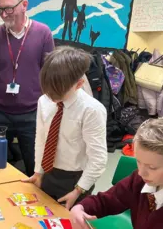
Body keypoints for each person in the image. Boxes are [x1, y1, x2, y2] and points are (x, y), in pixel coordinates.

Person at [70, 116, 163, 229]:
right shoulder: (140, 180)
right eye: (138, 162)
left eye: (152, 167)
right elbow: (107, 200)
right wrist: (81, 208)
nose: (141, 173)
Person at [0, 0, 54, 176]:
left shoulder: (43, 34)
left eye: (9, 9)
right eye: (0, 9)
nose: (4, 14)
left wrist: (45, 109)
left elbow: (50, 76)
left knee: (34, 168)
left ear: (24, 5)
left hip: (32, 115)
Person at [23, 46, 108, 209]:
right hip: (48, 172)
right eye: (48, 92)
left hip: (76, 180)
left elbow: (98, 158)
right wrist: (38, 171)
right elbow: (41, 139)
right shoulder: (44, 100)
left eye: (58, 94)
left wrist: (78, 191)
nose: (52, 98)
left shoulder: (92, 110)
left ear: (79, 84)